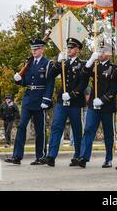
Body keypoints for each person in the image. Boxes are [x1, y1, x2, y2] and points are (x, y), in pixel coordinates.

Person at [5, 39, 55, 165]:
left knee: (40, 129)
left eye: (36, 49)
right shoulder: (28, 63)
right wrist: (18, 80)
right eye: (32, 49)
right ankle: (17, 156)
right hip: (28, 98)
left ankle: (40, 156)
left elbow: (50, 83)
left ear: (42, 49)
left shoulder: (48, 63)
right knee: (21, 126)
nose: (34, 51)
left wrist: (46, 99)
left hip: (40, 99)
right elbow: (25, 82)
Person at [45, 38, 88, 167]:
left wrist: (71, 95)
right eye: (68, 48)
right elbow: (51, 75)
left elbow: (83, 83)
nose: (69, 50)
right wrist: (58, 63)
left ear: (78, 50)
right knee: (56, 127)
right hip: (61, 103)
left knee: (76, 129)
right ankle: (51, 156)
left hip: (74, 102)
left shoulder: (82, 65)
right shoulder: (63, 63)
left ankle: (78, 156)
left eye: (72, 48)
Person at [78, 43, 117, 168]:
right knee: (88, 130)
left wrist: (103, 100)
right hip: (93, 105)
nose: (100, 54)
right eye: (99, 51)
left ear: (109, 54)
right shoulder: (94, 65)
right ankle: (83, 157)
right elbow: (83, 74)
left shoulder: (114, 68)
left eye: (103, 51)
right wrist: (90, 61)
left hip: (106, 105)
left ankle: (108, 159)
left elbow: (114, 88)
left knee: (108, 133)